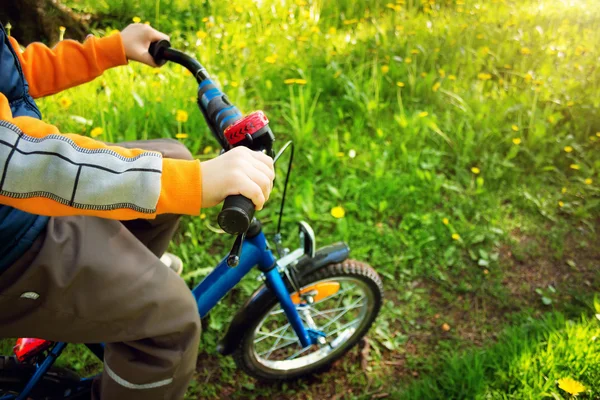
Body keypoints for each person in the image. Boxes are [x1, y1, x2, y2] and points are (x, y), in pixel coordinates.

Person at [0, 22, 275, 399]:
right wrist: (190, 183)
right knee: (171, 322)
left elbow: (10, 74)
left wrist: (105, 50)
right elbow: (19, 163)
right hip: (11, 241)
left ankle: (103, 300)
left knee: (173, 155)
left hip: (17, 210)